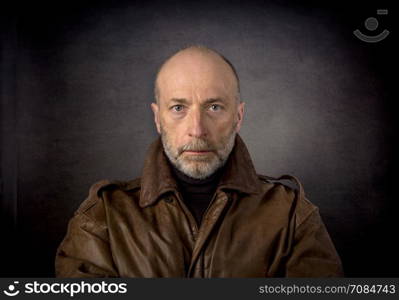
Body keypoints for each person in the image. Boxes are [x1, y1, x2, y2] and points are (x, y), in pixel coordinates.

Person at [55, 45, 344, 277]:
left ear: (239, 116)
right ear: (158, 118)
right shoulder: (102, 217)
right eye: (179, 107)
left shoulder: (293, 215)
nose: (197, 129)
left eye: (214, 107)